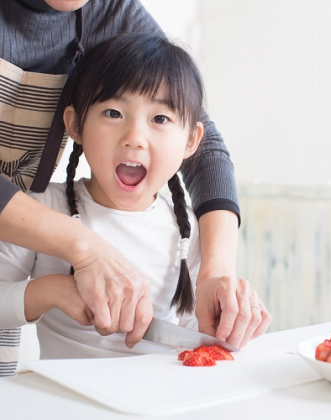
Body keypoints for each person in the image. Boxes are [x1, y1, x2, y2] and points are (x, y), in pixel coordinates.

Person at [0, 0, 269, 372]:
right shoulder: (44, 207)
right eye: (113, 113)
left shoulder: (186, 230)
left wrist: (218, 275)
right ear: (75, 125)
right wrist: (52, 291)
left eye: (159, 118)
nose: (135, 137)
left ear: (189, 141)